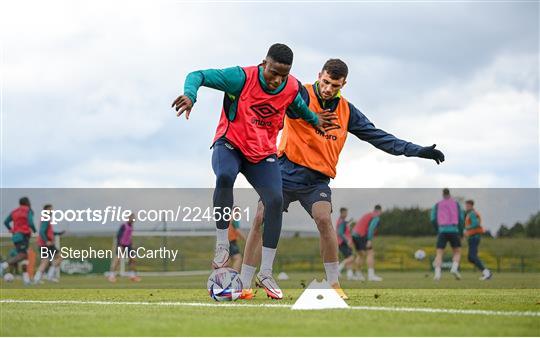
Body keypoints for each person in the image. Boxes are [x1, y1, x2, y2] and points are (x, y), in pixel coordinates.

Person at [239, 58, 445, 299]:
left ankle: (334, 284)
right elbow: (266, 98)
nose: (328, 89)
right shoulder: (300, 94)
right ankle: (244, 284)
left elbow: (380, 137)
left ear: (343, 84)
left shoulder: (347, 111)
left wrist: (417, 150)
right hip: (283, 171)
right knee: (260, 217)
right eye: (325, 82)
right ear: (319, 75)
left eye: (335, 85)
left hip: (316, 180)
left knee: (324, 219)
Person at [171, 43, 336, 297]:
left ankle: (266, 272)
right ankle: (222, 244)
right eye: (272, 72)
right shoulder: (241, 77)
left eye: (283, 74)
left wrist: (315, 119)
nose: (276, 80)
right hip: (231, 144)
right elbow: (198, 75)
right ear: (263, 64)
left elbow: (299, 108)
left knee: (275, 200)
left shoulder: (291, 87)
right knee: (225, 175)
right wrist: (190, 95)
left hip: (262, 153)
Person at [1, 197, 36, 285]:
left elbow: (6, 222)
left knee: (25, 256)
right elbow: (30, 222)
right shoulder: (28, 210)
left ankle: (26, 280)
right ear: (27, 202)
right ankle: (3, 265)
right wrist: (34, 230)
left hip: (16, 236)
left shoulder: (14, 211)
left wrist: (11, 229)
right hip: (23, 235)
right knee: (23, 254)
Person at [431, 188, 464, 281]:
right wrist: (461, 232)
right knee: (457, 252)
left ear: (442, 194)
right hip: (454, 230)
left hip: (442, 230)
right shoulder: (456, 204)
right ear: (449, 194)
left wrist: (438, 229)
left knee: (439, 253)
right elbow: (461, 219)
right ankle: (454, 268)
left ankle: (437, 274)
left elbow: (433, 219)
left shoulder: (438, 204)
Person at [352, 205, 383, 281]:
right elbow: (371, 228)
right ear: (379, 211)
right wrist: (369, 239)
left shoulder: (368, 214)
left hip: (354, 235)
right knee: (370, 253)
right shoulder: (376, 217)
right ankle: (371, 275)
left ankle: (358, 274)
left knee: (360, 255)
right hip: (361, 235)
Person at [34, 204, 63, 284]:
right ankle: (47, 276)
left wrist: (58, 233)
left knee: (46, 260)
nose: (52, 211)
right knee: (56, 258)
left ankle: (39, 278)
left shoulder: (45, 218)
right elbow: (42, 232)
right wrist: (47, 241)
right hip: (46, 243)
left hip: (45, 243)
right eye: (50, 209)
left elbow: (48, 232)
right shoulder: (46, 218)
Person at [108, 213, 140, 282]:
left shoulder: (132, 226)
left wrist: (132, 244)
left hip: (129, 245)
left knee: (132, 259)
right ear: (129, 218)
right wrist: (120, 245)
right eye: (132, 218)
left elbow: (129, 236)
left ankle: (132, 275)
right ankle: (111, 275)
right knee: (118, 260)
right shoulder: (123, 225)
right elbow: (118, 235)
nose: (133, 220)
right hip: (121, 245)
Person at [464, 200, 492, 280]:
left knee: (472, 256)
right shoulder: (470, 214)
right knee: (471, 258)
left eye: (468, 206)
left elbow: (476, 223)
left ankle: (486, 272)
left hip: (474, 237)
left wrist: (466, 228)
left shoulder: (472, 213)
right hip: (472, 237)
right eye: (466, 206)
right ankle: (486, 271)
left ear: (471, 206)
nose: (466, 207)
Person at [228, 206, 246, 272]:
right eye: (236, 211)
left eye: (238, 211)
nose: (237, 213)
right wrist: (247, 240)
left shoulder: (228, 219)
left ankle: (222, 276)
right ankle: (234, 276)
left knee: (227, 261)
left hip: (228, 241)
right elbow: (238, 231)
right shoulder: (234, 219)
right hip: (231, 241)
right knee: (238, 258)